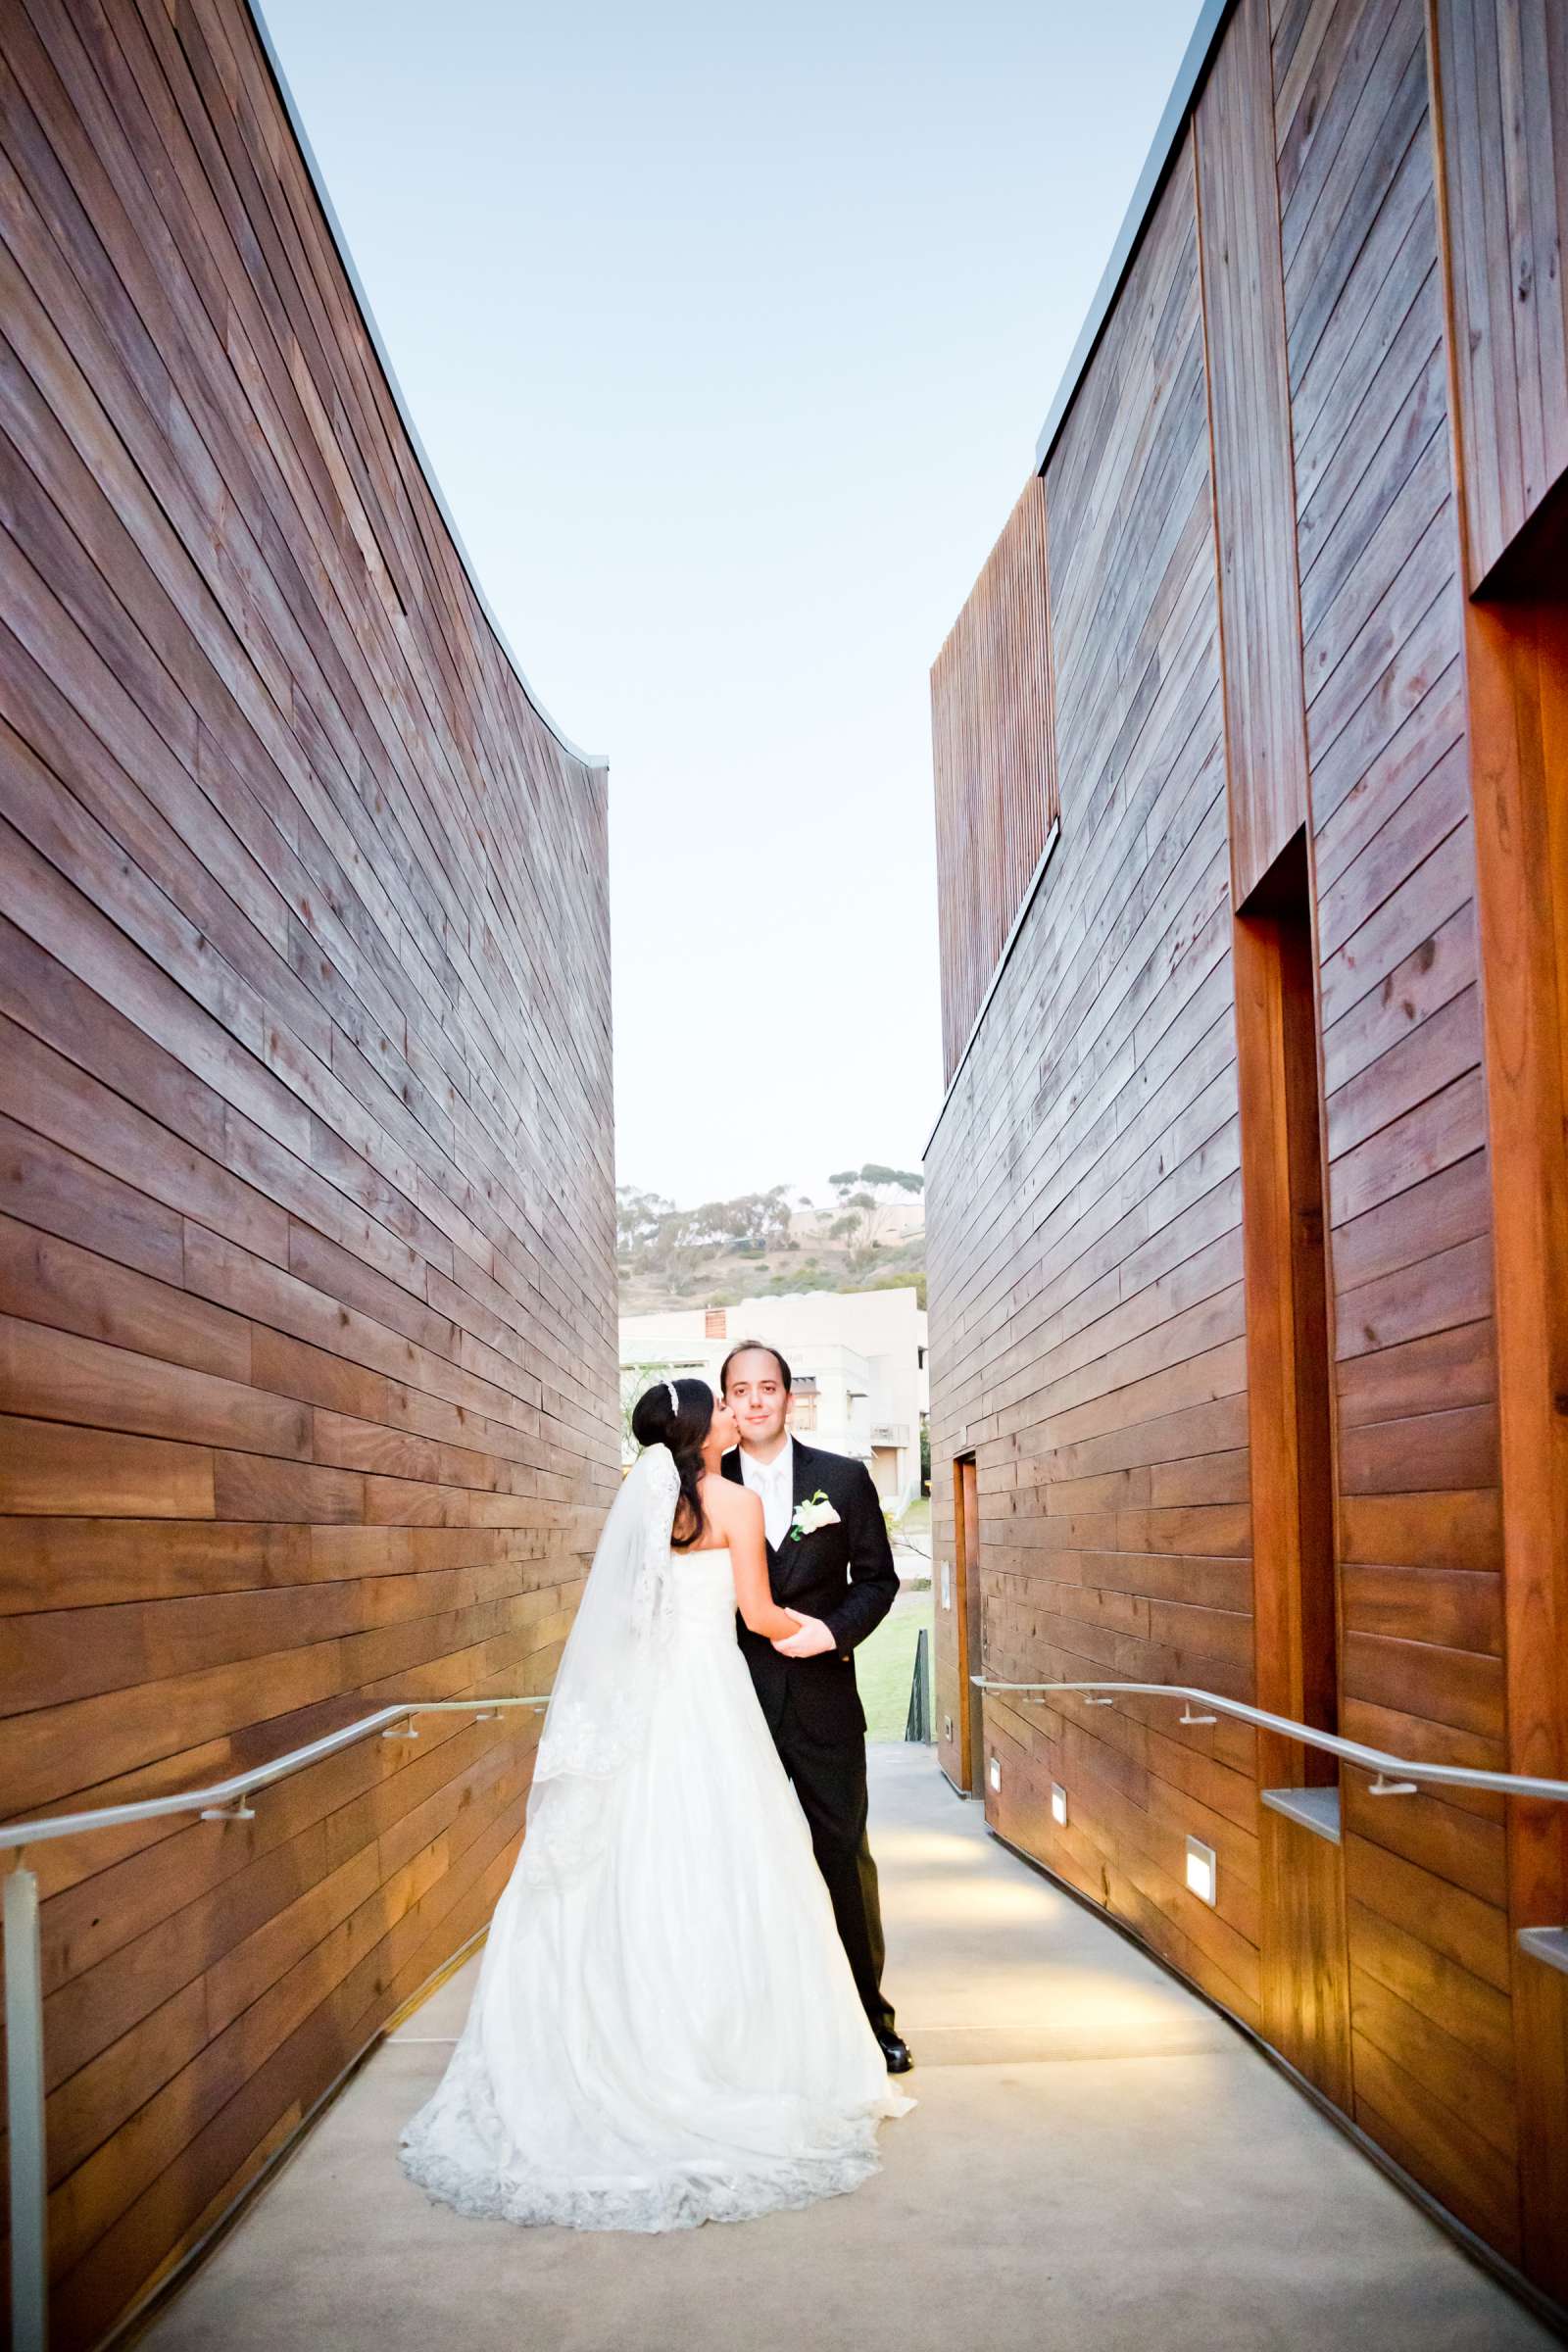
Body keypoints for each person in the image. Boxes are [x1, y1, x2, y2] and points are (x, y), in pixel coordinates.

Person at [398, 1377, 913, 2232]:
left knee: (639, 1865)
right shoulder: (736, 1506)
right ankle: (733, 2053)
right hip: (715, 1702)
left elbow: (625, 1623)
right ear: (704, 1430)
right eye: (720, 1404)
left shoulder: (645, 1505)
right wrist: (822, 1635)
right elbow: (756, 1614)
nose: (730, 1411)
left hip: (645, 1710)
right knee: (736, 1866)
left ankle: (630, 2039)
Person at [721, 1341, 911, 2072]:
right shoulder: (704, 1486)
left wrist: (832, 1632)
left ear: (789, 1397)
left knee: (842, 1858)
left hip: (826, 1704)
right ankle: (764, 2026)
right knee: (748, 1865)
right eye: (742, 1390)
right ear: (728, 1404)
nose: (757, 1400)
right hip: (736, 1710)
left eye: (769, 1387)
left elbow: (879, 1580)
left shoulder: (844, 1478)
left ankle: (872, 2021)